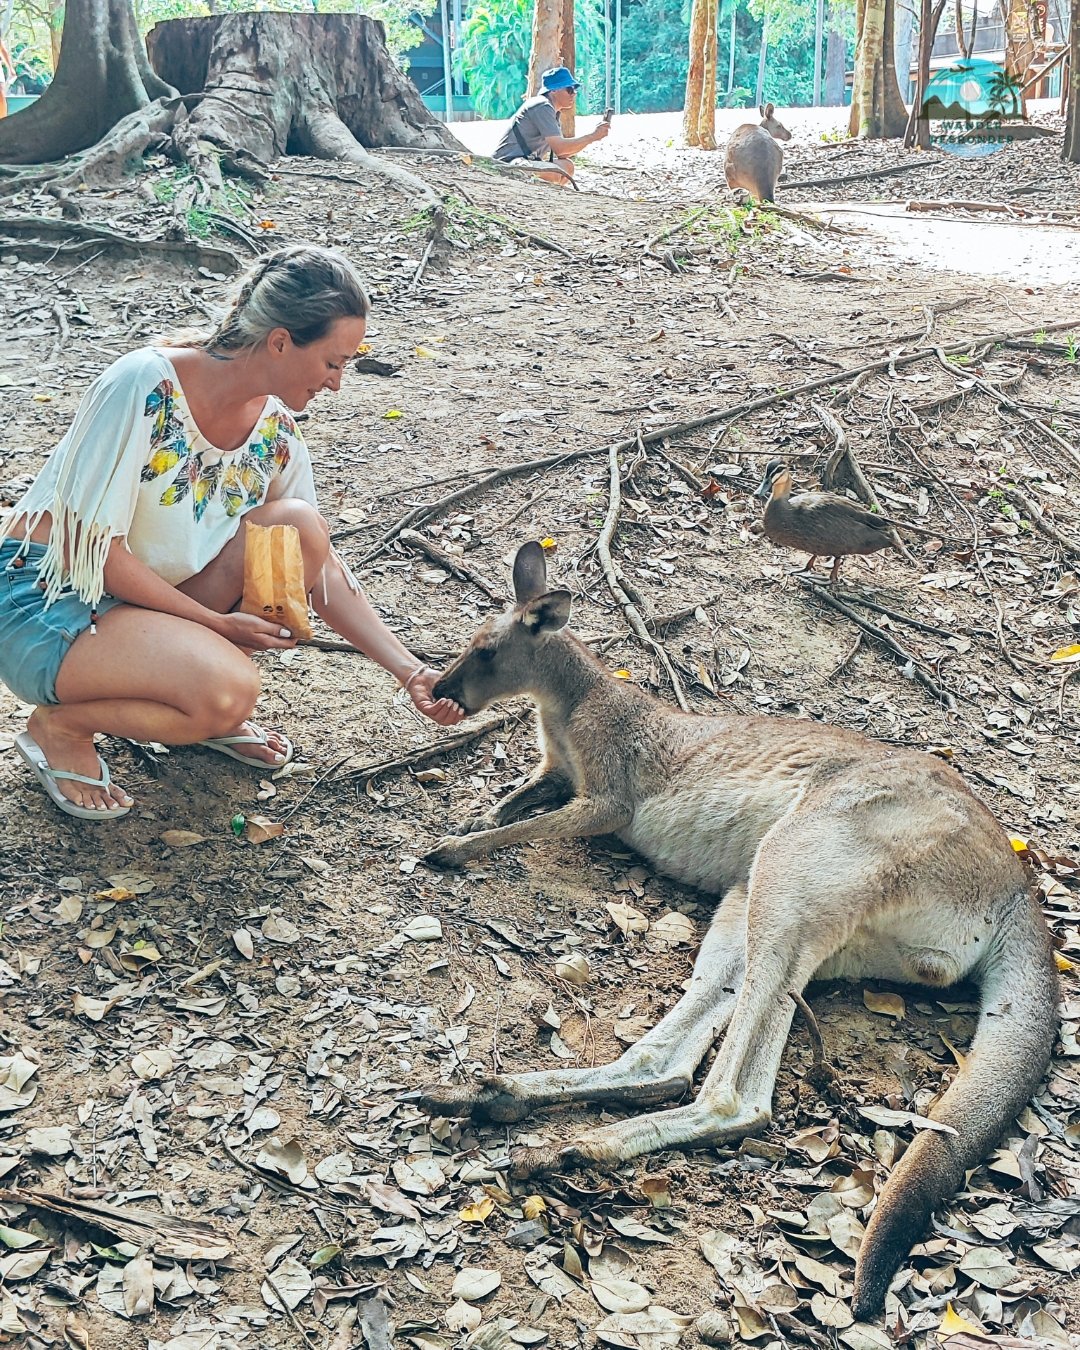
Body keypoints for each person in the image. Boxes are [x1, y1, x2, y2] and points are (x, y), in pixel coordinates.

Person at [0, 244, 463, 821]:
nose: (339, 383)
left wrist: (411, 670)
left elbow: (320, 571)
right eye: (333, 362)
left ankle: (191, 688)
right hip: (49, 599)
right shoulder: (145, 383)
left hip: (141, 610)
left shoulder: (276, 429)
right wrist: (216, 626)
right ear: (279, 341)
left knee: (298, 528)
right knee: (230, 691)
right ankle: (62, 726)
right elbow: (99, 554)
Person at [492, 66, 609, 185]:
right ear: (553, 90)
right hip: (508, 163)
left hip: (525, 161)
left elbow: (563, 154)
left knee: (567, 166)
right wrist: (592, 137)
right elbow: (560, 148)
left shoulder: (552, 111)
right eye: (569, 89)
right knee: (555, 172)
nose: (573, 94)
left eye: (574, 90)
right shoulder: (542, 106)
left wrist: (593, 137)